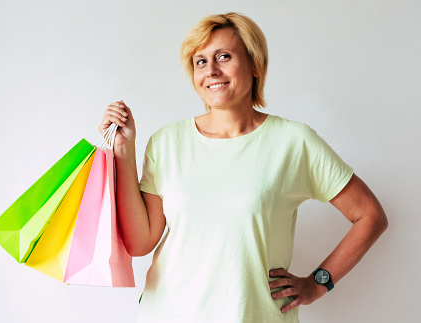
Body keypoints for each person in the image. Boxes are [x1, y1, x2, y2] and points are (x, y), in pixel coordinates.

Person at [99, 12, 388, 323]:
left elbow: (369, 215)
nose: (210, 70)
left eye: (224, 56)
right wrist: (124, 152)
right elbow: (141, 243)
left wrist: (316, 284)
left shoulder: (293, 142)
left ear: (254, 64)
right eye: (200, 61)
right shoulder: (166, 141)